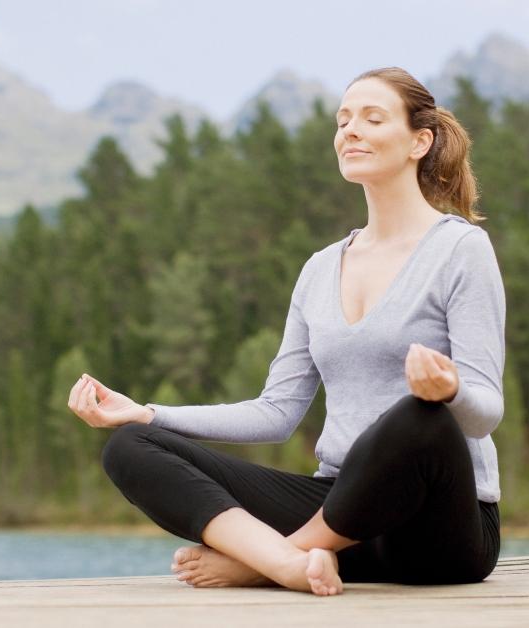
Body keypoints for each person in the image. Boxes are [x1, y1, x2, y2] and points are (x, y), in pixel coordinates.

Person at [67, 66, 506, 596]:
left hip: (441, 533)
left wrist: (450, 391)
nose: (351, 131)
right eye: (343, 121)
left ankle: (267, 561)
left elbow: (486, 413)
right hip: (345, 517)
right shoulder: (320, 269)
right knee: (131, 446)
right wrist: (148, 413)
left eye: (372, 118)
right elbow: (277, 412)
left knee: (420, 417)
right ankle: (289, 561)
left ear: (420, 140)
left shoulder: (460, 250)